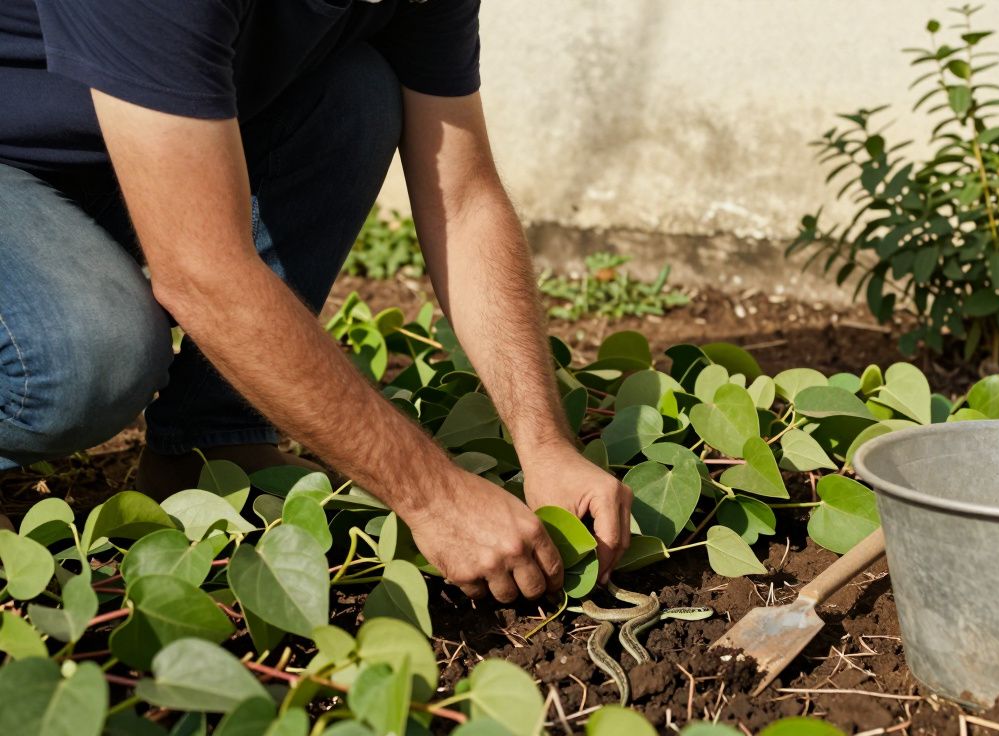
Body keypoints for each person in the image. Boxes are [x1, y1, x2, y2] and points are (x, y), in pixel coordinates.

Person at [0, 0, 632, 603]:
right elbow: (203, 274)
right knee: (83, 356)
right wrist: (433, 497)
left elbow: (463, 198)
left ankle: (211, 446)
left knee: (356, 93)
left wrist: (544, 444)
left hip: (131, 145)